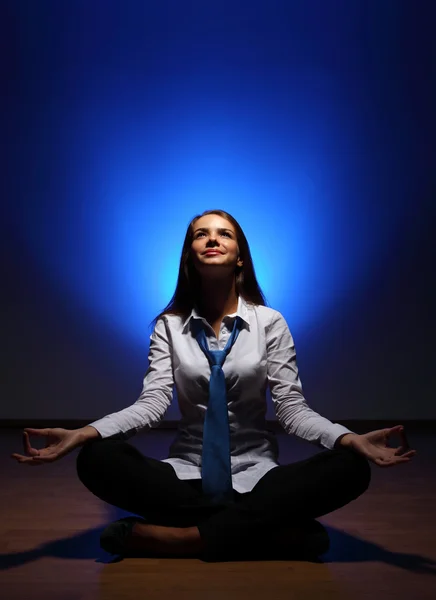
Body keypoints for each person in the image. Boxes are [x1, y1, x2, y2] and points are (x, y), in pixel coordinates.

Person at [11, 209, 417, 562]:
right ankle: (268, 534)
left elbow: (292, 410)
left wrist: (350, 439)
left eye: (224, 233)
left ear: (240, 256)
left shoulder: (269, 322)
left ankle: (188, 538)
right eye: (200, 234)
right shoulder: (168, 326)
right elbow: (152, 404)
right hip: (187, 478)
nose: (212, 239)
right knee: (96, 458)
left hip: (256, 477)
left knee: (350, 467)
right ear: (189, 254)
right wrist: (82, 434)